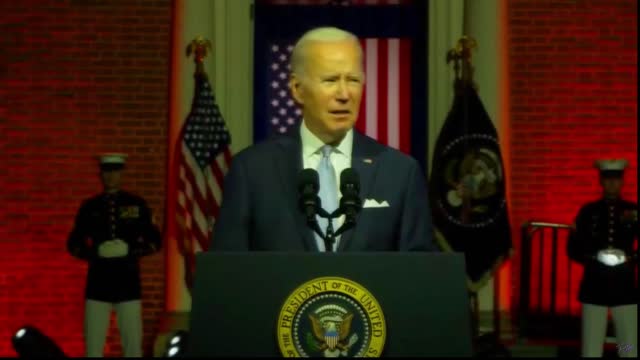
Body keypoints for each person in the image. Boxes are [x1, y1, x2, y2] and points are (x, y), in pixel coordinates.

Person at [211, 27, 435, 252]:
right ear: (297, 89)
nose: (344, 94)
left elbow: (420, 274)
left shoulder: (400, 173)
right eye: (330, 80)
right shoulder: (251, 171)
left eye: (353, 80)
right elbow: (229, 273)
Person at [67, 153, 162, 357]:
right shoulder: (90, 207)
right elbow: (73, 243)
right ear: (101, 175)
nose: (111, 177)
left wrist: (132, 251)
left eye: (115, 172)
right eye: (107, 172)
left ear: (122, 173)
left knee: (132, 346)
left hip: (127, 282)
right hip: (98, 283)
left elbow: (155, 240)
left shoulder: (136, 205)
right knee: (93, 347)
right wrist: (94, 252)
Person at [567, 159, 637, 358]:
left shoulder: (633, 211)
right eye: (608, 179)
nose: (612, 184)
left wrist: (631, 258)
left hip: (624, 286)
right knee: (591, 348)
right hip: (594, 284)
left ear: (622, 182)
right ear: (601, 181)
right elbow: (573, 248)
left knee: (628, 346)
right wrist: (593, 257)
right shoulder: (588, 212)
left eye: (616, 179)